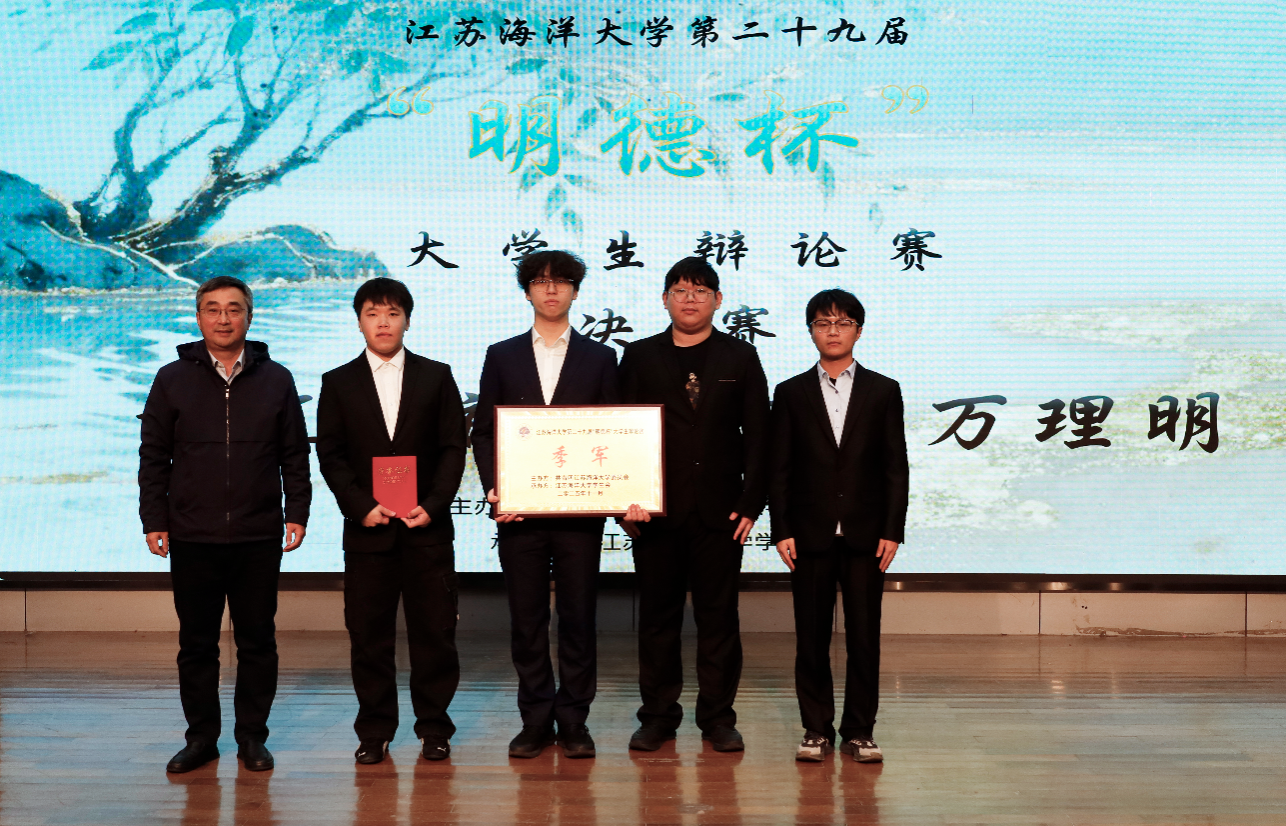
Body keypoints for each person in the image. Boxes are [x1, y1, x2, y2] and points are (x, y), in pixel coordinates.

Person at [139, 275, 311, 774]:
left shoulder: (277, 379)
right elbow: (154, 455)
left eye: (234, 309)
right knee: (196, 644)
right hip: (193, 533)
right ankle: (201, 739)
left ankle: (252, 738)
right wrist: (154, 518)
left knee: (258, 641)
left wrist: (297, 511)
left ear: (249, 317)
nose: (223, 318)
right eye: (212, 309)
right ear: (198, 318)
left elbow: (294, 453)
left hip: (259, 534)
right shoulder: (171, 378)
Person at [471, 250, 620, 759]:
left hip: (580, 515)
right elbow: (484, 432)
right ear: (527, 291)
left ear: (576, 291)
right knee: (527, 620)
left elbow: (614, 432)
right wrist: (496, 489)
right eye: (540, 281)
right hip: (520, 515)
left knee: (578, 619)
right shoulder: (502, 355)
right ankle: (535, 720)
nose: (551, 290)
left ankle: (574, 720)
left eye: (561, 282)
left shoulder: (601, 358)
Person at [619, 256, 770, 753]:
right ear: (665, 299)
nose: (690, 299)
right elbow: (619, 433)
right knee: (657, 621)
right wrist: (623, 503)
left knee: (719, 620)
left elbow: (759, 435)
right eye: (680, 290)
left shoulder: (740, 356)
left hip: (721, 513)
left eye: (701, 291)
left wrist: (751, 503)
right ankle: (657, 718)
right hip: (655, 513)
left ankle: (718, 719)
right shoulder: (639, 356)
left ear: (718, 300)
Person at [316, 277, 467, 765]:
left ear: (407, 320)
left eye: (393, 313)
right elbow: (331, 455)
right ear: (359, 322)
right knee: (369, 638)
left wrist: (435, 503)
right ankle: (375, 731)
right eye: (373, 313)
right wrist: (360, 505)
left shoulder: (436, 376)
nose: (383, 322)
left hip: (427, 531)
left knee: (435, 637)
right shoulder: (338, 382)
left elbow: (453, 447)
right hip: (368, 532)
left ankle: (434, 728)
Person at [769, 288, 908, 763]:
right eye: (823, 322)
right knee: (810, 638)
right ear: (811, 331)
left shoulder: (883, 389)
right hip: (808, 534)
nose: (833, 331)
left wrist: (892, 530)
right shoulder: (790, 392)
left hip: (867, 535)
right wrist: (781, 528)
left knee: (864, 638)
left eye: (843, 322)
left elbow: (895, 466)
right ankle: (816, 729)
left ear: (858, 331)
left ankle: (860, 731)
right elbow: (779, 468)